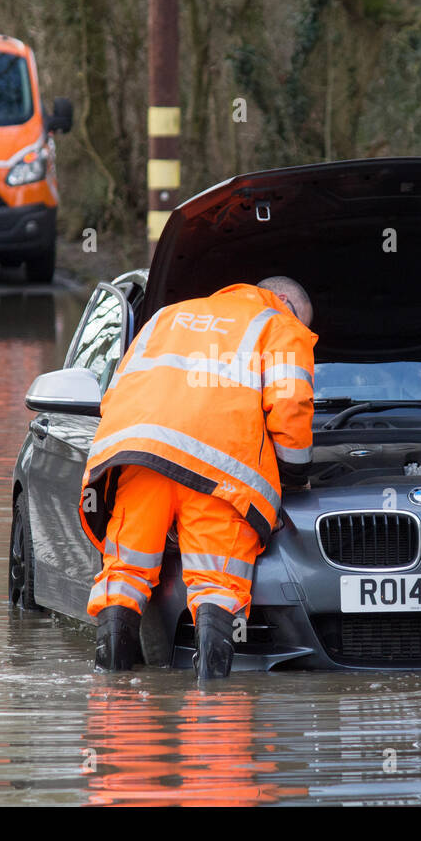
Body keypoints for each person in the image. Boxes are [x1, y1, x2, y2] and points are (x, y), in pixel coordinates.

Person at [77, 276, 316, 679]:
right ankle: (213, 709)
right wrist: (295, 476)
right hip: (219, 470)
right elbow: (291, 404)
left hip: (141, 457)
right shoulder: (278, 324)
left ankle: (111, 695)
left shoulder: (165, 317)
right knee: (216, 585)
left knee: (124, 573)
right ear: (286, 302)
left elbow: (116, 391)